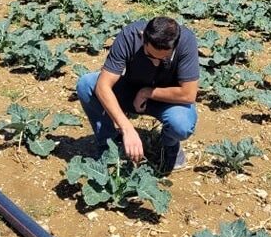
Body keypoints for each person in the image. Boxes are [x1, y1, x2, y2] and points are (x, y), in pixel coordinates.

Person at [76, 16, 199, 174]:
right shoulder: (130, 35)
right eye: (150, 56)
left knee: (181, 124)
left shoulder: (186, 41)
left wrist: (147, 92)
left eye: (164, 58)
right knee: (87, 84)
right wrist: (127, 128)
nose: (156, 62)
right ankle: (108, 146)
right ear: (143, 37)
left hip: (167, 98)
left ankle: (169, 146)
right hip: (130, 90)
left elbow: (188, 94)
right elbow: (103, 85)